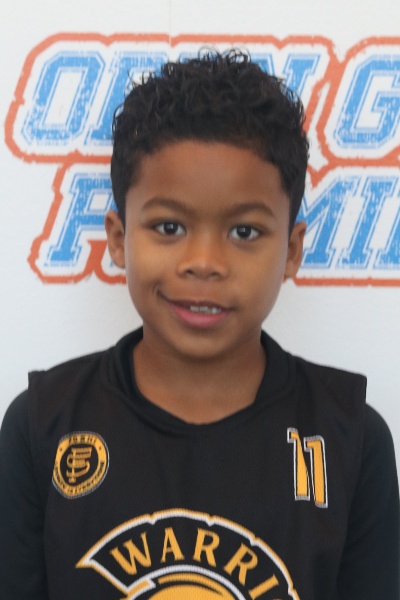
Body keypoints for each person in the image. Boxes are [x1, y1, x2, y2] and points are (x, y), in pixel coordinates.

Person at [0, 50, 398, 600]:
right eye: (169, 227)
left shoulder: (350, 442)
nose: (204, 262)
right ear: (118, 239)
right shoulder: (41, 427)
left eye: (244, 232)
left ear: (291, 250)